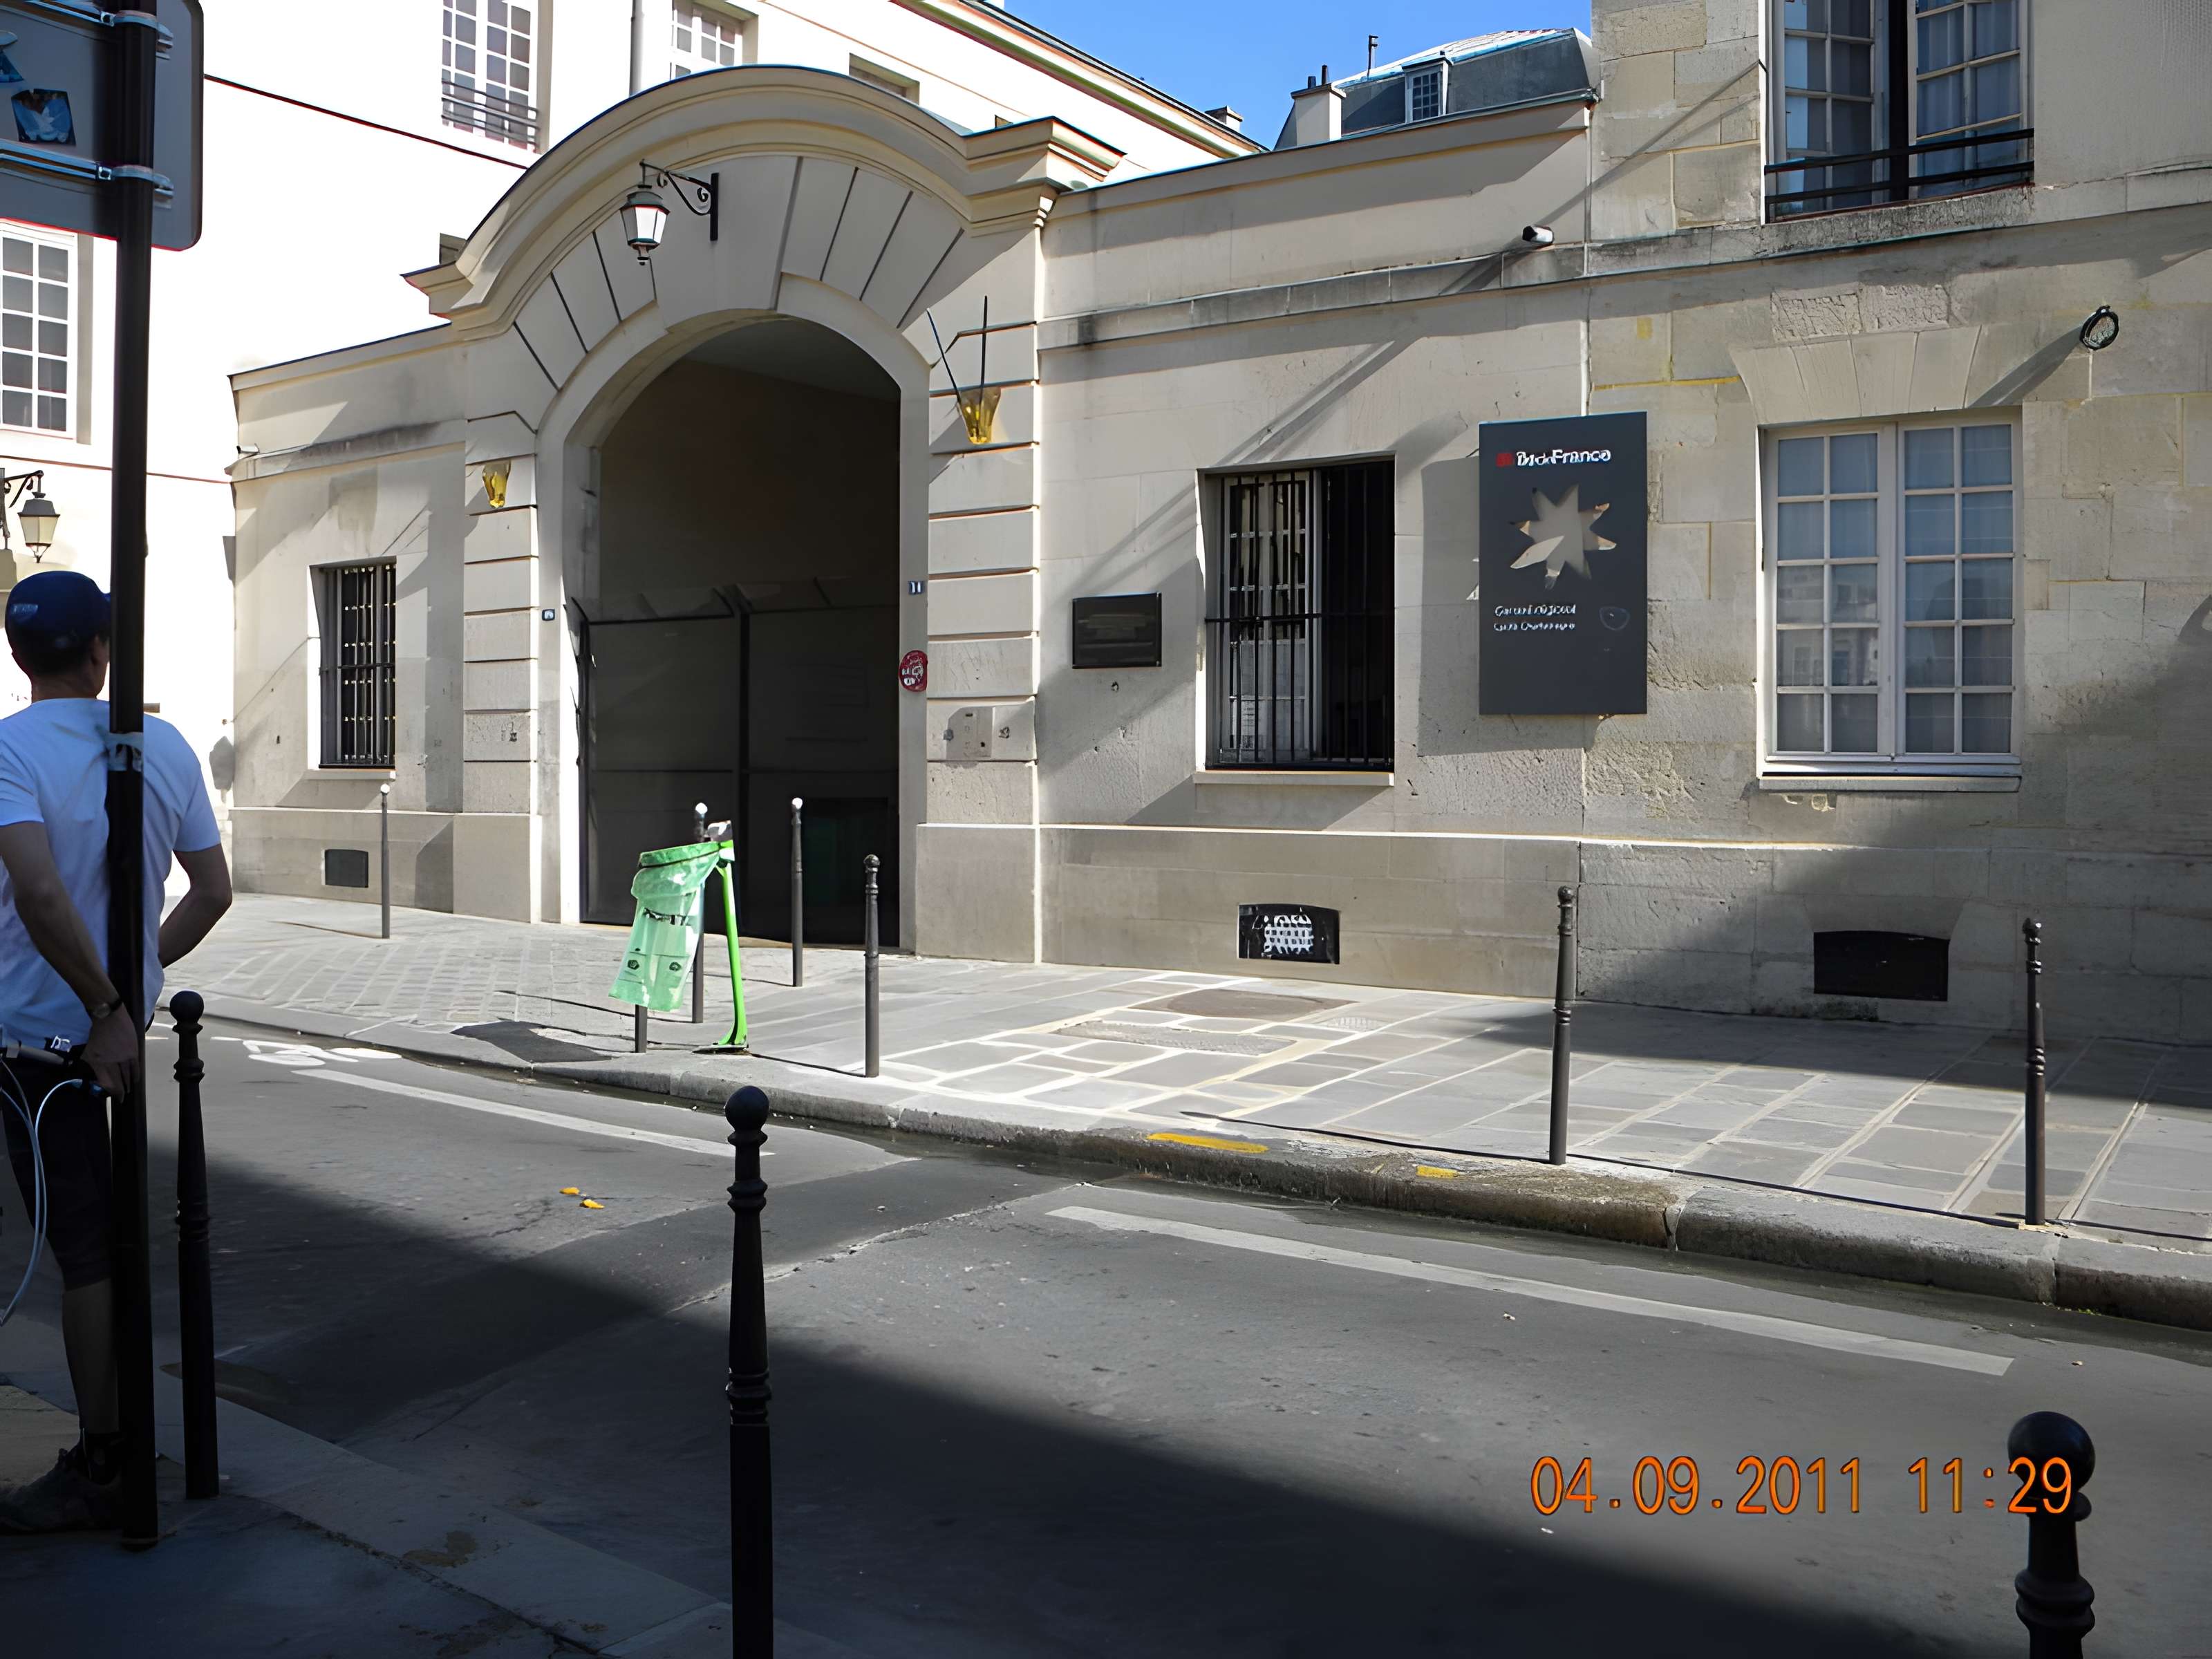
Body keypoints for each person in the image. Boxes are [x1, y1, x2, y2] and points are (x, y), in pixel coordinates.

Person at [0, 569, 231, 1532]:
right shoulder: (162, 744)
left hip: (37, 1045)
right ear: (102, 653)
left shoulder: (9, 749)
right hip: (114, 1043)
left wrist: (100, 1005)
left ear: (20, 657)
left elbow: (38, 893)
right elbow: (212, 892)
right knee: (116, 1241)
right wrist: (130, 993)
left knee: (85, 1253)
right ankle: (123, 1445)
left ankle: (104, 1460)